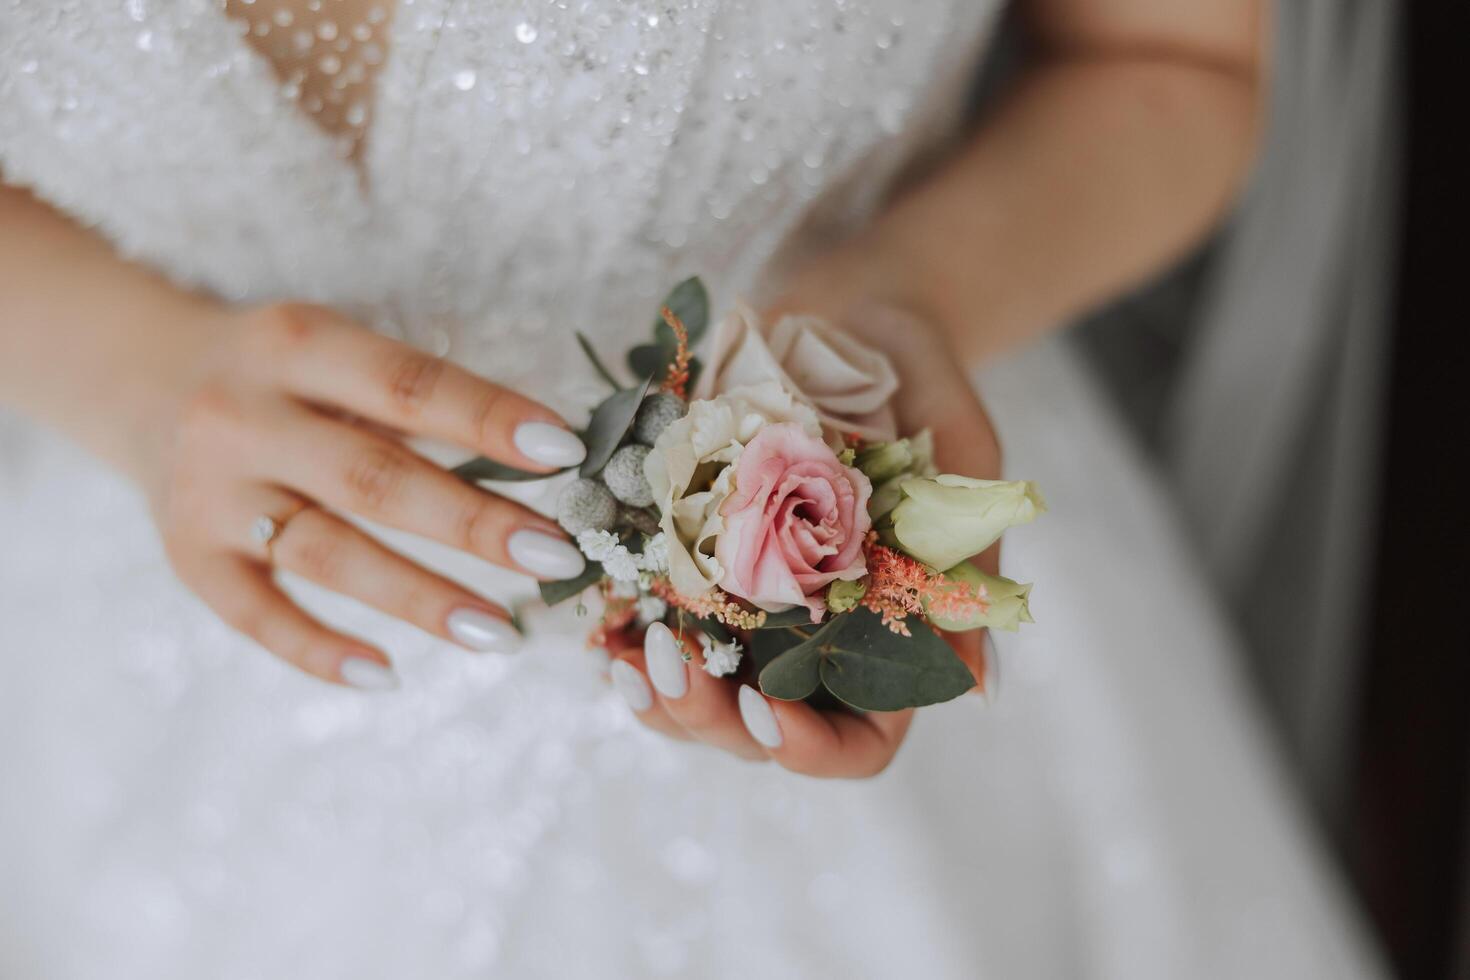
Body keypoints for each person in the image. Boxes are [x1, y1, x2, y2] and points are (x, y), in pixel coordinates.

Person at [0, 0, 1383, 975]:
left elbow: (1163, 53)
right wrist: (135, 376)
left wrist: (900, 296)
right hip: (144, 661)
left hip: (849, 584)